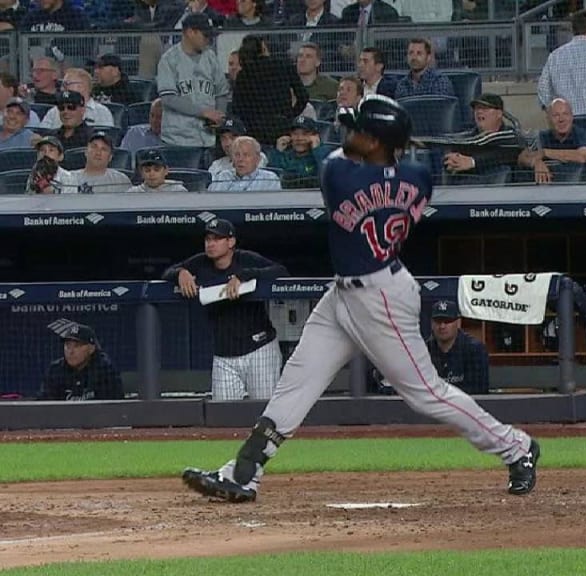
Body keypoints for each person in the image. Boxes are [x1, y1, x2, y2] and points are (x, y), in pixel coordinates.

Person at [181, 94, 540, 503]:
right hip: (345, 292)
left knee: (425, 393)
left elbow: (344, 158)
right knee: (297, 380)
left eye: (360, 131)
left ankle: (517, 447)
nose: (350, 134)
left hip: (380, 296)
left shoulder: (338, 173)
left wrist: (377, 141)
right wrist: (387, 144)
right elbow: (388, 176)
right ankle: (243, 472)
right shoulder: (420, 176)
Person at [162, 218, 288, 400]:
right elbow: (167, 273)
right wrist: (180, 273)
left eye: (217, 239)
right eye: (208, 239)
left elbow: (281, 272)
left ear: (231, 242)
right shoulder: (200, 262)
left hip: (259, 349)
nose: (211, 244)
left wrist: (244, 275)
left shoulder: (245, 259)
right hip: (224, 355)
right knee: (222, 415)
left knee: (264, 410)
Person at [157, 14, 230, 148]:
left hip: (208, 138)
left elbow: (221, 92)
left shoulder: (211, 57)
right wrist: (202, 112)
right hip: (177, 140)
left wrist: (220, 115)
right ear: (190, 32)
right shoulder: (169, 59)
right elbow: (169, 98)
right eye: (205, 35)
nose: (208, 40)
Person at [39, 323, 123, 401]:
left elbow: (114, 408)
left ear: (91, 349)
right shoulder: (55, 370)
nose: (71, 351)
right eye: (67, 345)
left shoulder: (104, 370)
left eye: (77, 346)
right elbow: (44, 406)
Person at [425, 299, 490, 395]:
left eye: (447, 321)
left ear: (458, 323)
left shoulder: (475, 350)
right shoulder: (423, 351)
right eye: (438, 321)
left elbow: (479, 391)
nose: (442, 326)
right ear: (431, 323)